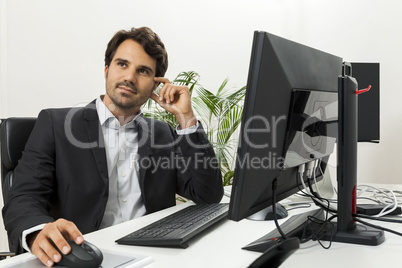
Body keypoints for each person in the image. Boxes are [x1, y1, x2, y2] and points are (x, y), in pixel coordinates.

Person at [2, 27, 223, 267]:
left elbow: (207, 194)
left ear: (155, 86)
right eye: (122, 64)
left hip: (156, 257)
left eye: (143, 71)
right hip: (86, 256)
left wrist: (186, 118)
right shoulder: (56, 125)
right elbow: (24, 196)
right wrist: (37, 232)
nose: (129, 77)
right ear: (107, 70)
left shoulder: (162, 133)